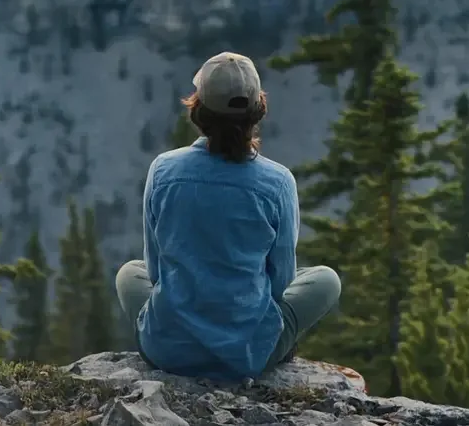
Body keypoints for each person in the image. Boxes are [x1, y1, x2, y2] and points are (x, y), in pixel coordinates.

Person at [114, 51, 342, 381]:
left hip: (168, 350)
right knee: (325, 279)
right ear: (258, 111)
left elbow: (155, 269)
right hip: (246, 354)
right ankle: (275, 349)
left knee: (129, 272)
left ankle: (173, 336)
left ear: (198, 109)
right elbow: (280, 284)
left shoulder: (163, 169)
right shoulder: (278, 182)